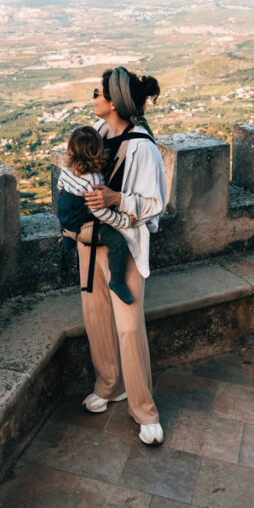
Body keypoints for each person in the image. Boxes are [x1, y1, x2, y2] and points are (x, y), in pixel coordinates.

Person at [78, 66, 167, 445]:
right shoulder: (99, 134)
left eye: (97, 93)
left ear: (114, 101)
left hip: (125, 246)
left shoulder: (143, 147)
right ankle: (110, 385)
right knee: (97, 318)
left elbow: (155, 203)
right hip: (90, 241)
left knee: (129, 327)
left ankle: (145, 410)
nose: (93, 98)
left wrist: (117, 198)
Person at [57, 125, 136, 304]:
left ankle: (67, 238)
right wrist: (124, 221)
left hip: (65, 223)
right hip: (84, 230)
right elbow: (101, 213)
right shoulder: (94, 180)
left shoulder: (66, 169)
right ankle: (117, 281)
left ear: (70, 151)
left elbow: (60, 187)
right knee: (118, 243)